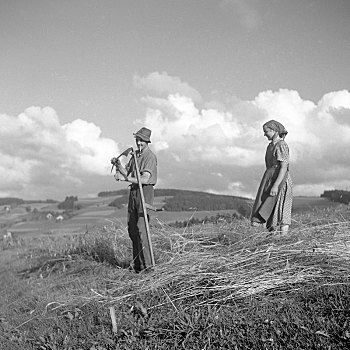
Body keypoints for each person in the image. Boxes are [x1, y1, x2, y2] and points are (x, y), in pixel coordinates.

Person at [112, 127, 157, 272]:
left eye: (141, 141)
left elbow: (144, 178)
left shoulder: (149, 157)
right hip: (134, 192)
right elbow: (128, 172)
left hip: (145, 191)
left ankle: (148, 267)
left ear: (147, 141)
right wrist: (119, 166)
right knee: (132, 229)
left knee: (141, 229)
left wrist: (125, 179)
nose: (138, 143)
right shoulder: (135, 156)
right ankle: (138, 266)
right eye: (137, 140)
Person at [251, 120, 293, 233]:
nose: (264, 134)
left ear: (274, 131)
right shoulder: (270, 146)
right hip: (270, 179)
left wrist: (275, 185)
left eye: (266, 132)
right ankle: (272, 238)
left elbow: (284, 167)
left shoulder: (282, 145)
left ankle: (283, 238)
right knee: (269, 208)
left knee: (281, 209)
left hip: (280, 181)